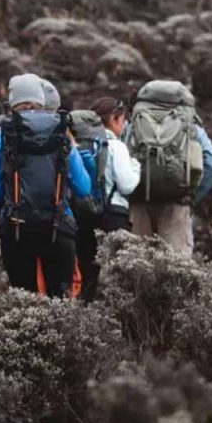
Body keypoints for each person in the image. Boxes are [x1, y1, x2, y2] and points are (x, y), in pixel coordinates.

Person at [0, 74, 92, 296]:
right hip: (59, 225)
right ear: (41, 99)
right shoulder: (61, 131)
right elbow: (83, 187)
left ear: (12, 101)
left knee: (24, 301)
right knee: (59, 301)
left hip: (16, 229)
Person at [125, 80, 212, 256]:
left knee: (134, 266)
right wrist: (190, 196)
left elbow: (121, 160)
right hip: (176, 204)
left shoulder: (134, 124)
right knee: (175, 270)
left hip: (138, 203)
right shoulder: (190, 125)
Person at [73, 97, 141, 301]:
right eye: (123, 120)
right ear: (113, 119)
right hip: (114, 215)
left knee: (87, 274)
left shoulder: (81, 144)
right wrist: (136, 166)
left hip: (85, 215)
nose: (125, 125)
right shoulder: (115, 146)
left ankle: (83, 317)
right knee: (115, 275)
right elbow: (127, 184)